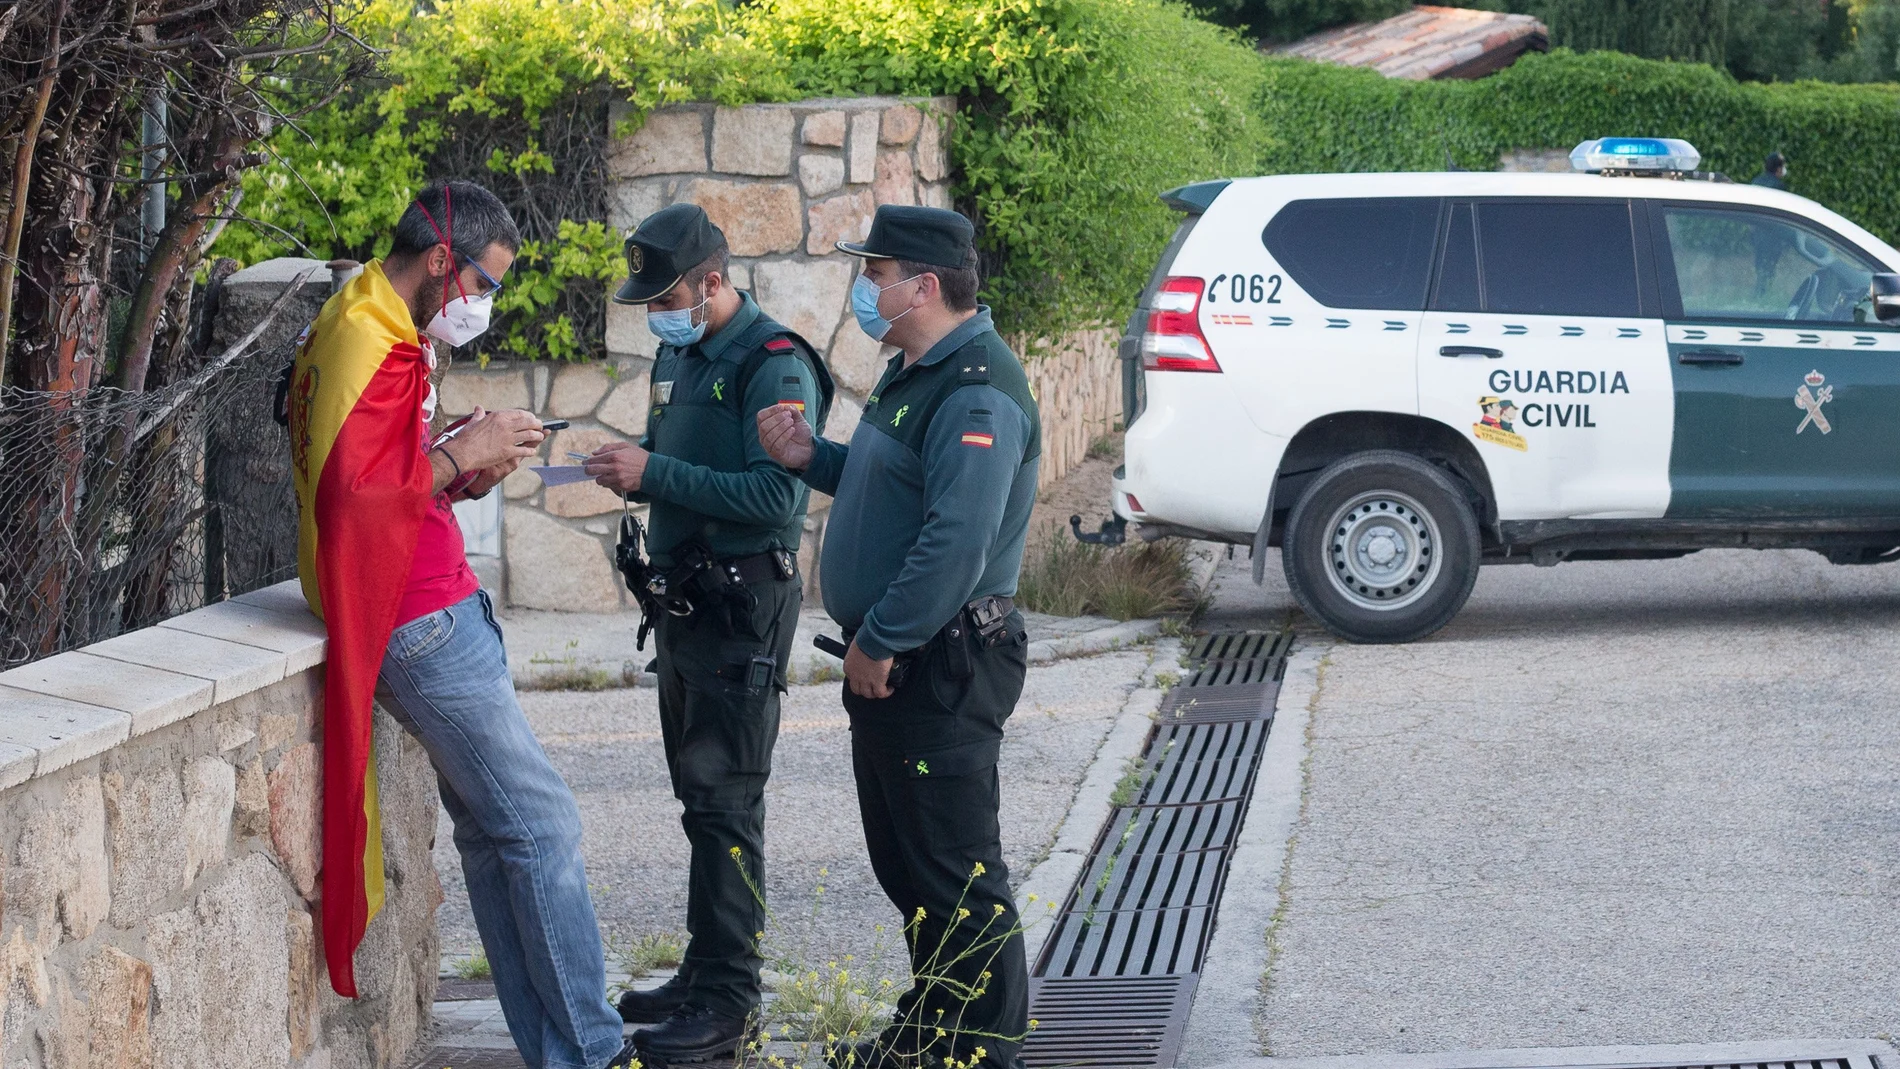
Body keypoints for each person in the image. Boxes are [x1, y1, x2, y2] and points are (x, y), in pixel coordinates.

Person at [285, 181, 628, 1069]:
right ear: (442, 260)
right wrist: (457, 455)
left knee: (495, 831)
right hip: (419, 613)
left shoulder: (366, 316)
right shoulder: (372, 336)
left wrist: (461, 458)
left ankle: (562, 1052)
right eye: (481, 282)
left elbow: (381, 471)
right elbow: (355, 502)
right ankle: (592, 1054)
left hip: (420, 604)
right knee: (542, 827)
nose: (483, 303)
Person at [755, 205, 1040, 1069]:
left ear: (921, 285)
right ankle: (937, 1024)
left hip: (938, 659)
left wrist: (882, 639)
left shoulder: (976, 387)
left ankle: (986, 1048)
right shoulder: (917, 370)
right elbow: (900, 488)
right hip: (905, 657)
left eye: (875, 273)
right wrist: (816, 458)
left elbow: (957, 538)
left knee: (955, 866)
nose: (865, 289)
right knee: (910, 862)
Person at [584, 202, 833, 1062]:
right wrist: (639, 473)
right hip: (686, 605)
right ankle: (706, 967)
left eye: (668, 296)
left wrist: (655, 471)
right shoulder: (680, 352)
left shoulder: (773, 363)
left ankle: (730, 1001)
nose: (658, 312)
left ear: (713, 282)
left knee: (727, 803)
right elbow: (683, 467)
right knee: (699, 800)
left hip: (741, 607)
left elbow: (778, 497)